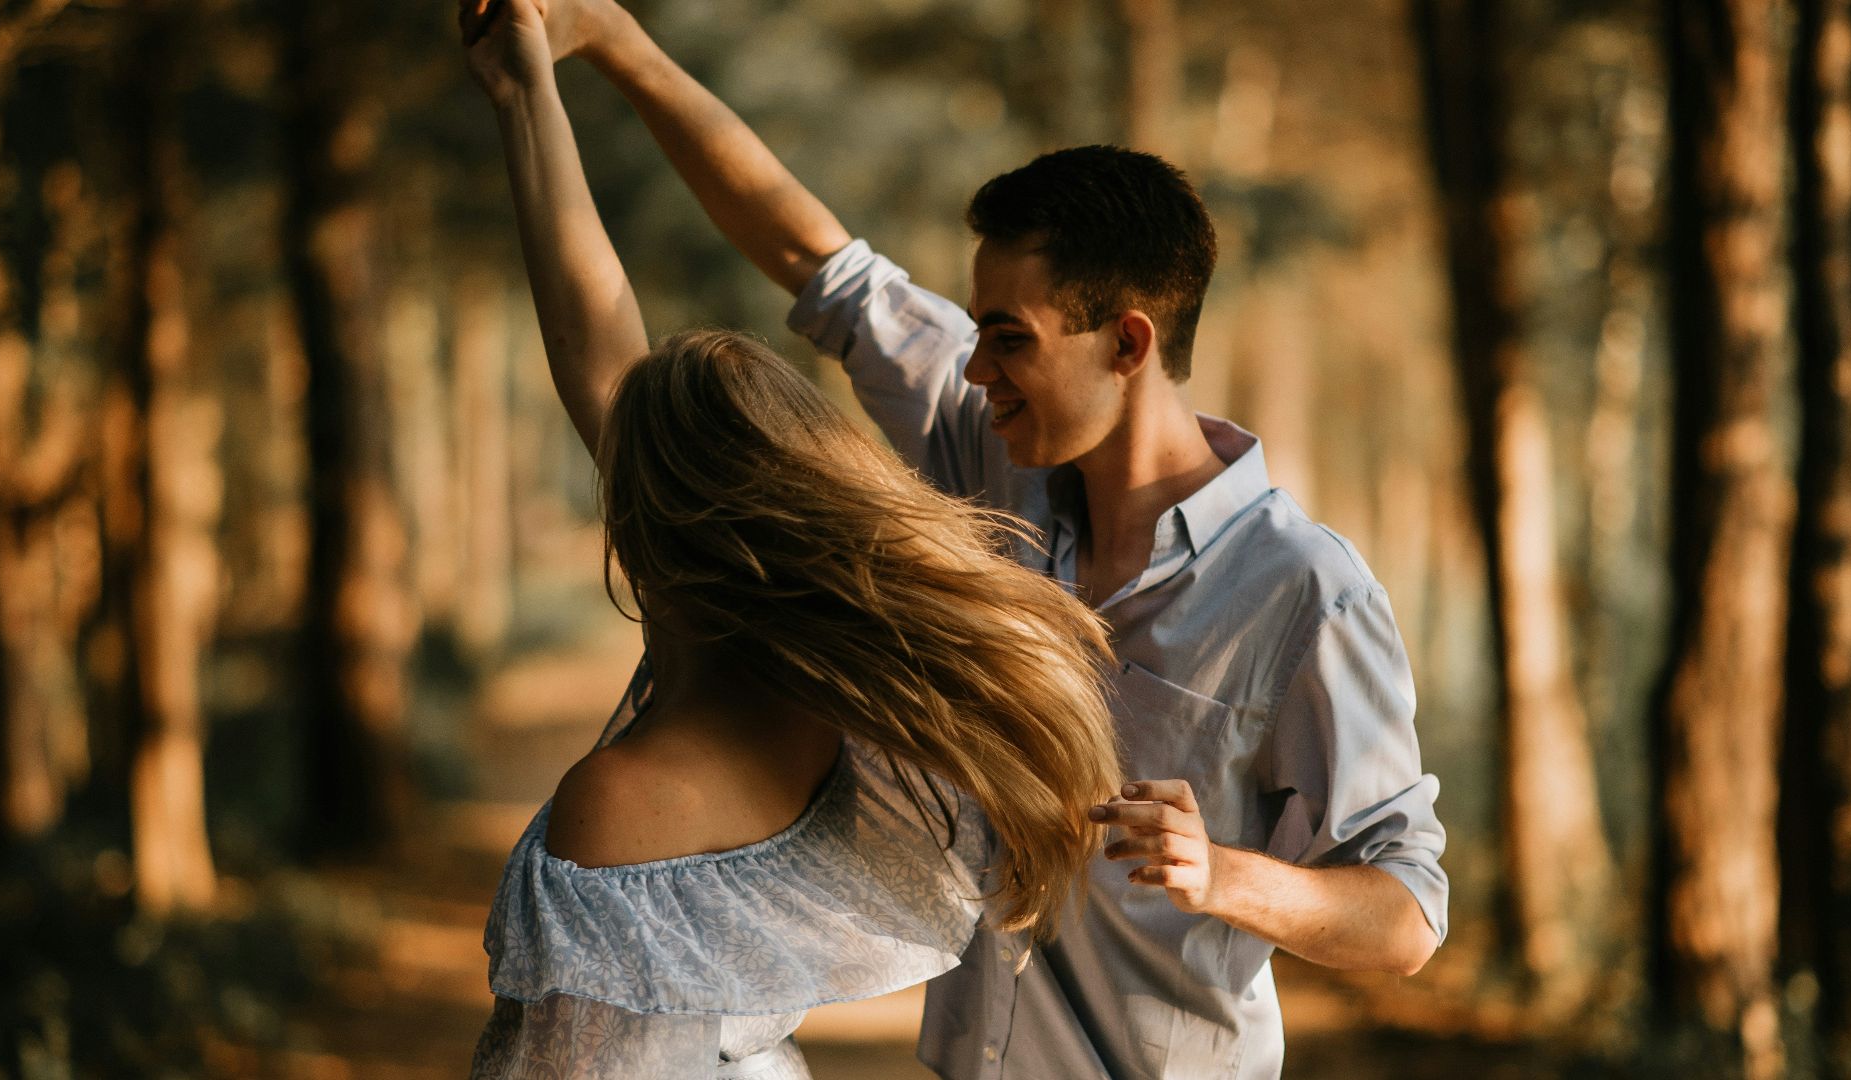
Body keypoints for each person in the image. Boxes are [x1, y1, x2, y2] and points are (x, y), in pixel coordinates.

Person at [478, 3, 1451, 1079]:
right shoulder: (993, 460)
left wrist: (1224, 876)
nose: (975, 369)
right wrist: (613, 44)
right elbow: (815, 258)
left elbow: (1405, 916)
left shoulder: (1304, 590)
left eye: (1008, 338)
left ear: (1127, 341)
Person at [459, 3, 1126, 1076]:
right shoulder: (854, 733)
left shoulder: (621, 801)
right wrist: (525, 93)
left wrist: (539, 87)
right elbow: (599, 347)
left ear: (651, 518)